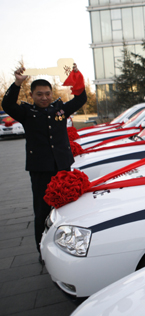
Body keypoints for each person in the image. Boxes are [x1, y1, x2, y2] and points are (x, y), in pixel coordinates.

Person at [1, 64, 87, 263]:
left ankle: (67, 247)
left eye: (47, 93)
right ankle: (42, 250)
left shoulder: (59, 110)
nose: (44, 97)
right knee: (42, 210)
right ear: (32, 95)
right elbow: (7, 104)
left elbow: (81, 98)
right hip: (40, 170)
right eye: (39, 94)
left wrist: (76, 75)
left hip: (62, 167)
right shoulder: (26, 113)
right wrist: (16, 84)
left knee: (67, 208)